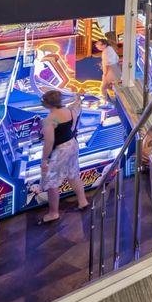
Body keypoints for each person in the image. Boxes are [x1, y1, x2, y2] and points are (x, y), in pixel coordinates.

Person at [38, 89, 89, 225]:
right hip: (72, 144)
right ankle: (83, 201)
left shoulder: (49, 120)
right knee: (73, 174)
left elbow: (49, 142)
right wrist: (78, 97)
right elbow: (73, 123)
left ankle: (53, 213)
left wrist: (44, 160)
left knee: (51, 182)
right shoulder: (68, 111)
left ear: (47, 103)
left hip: (60, 150)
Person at [95, 32, 121, 99]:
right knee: (111, 86)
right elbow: (117, 58)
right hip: (115, 68)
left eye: (98, 44)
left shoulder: (106, 52)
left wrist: (105, 73)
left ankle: (106, 99)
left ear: (104, 45)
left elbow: (106, 64)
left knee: (104, 87)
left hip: (111, 70)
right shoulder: (110, 48)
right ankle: (113, 98)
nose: (97, 46)